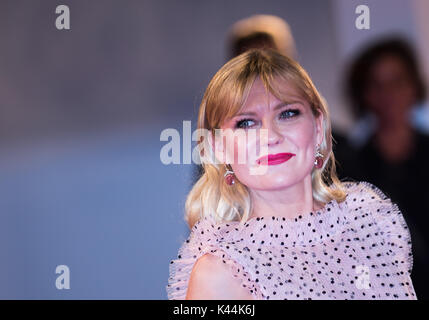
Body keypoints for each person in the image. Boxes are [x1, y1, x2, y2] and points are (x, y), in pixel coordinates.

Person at [166, 49, 416, 300]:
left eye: (287, 114)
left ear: (318, 127)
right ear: (219, 147)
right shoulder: (220, 271)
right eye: (246, 123)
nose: (272, 137)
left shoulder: (370, 223)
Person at [342, 37, 429, 299]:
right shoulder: (351, 168)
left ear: (414, 85)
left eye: (397, 81)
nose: (388, 94)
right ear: (364, 95)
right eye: (377, 85)